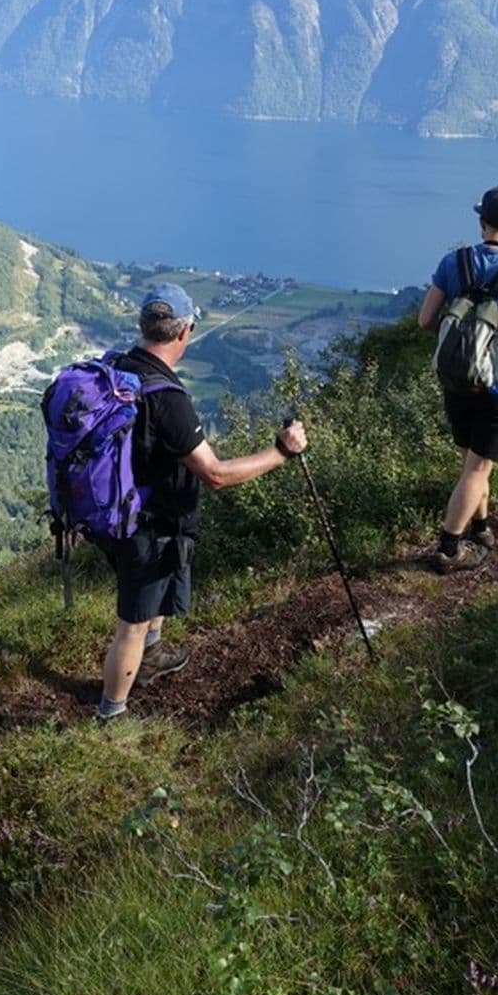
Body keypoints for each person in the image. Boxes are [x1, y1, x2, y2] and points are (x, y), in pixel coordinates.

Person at [95, 283, 308, 722]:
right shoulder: (169, 400)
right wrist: (281, 452)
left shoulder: (118, 366)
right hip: (144, 525)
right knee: (131, 623)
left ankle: (150, 660)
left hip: (116, 511)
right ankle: (111, 714)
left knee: (148, 605)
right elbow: (215, 474)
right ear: (183, 332)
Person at [417, 186, 498, 572]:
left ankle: (482, 526)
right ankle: (449, 548)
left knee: (473, 462)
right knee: (478, 467)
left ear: (481, 223)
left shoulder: (452, 262)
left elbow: (425, 320)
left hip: (457, 378)